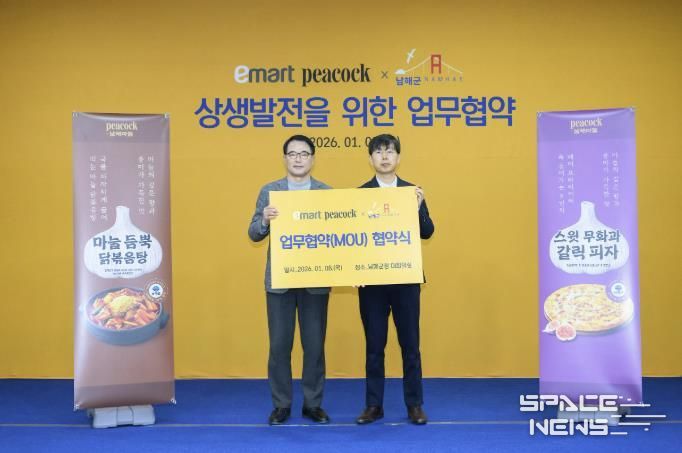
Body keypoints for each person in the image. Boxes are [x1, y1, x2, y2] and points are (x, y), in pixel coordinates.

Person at [248, 135, 332, 425]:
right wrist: (265, 220)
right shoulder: (270, 191)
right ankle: (281, 405)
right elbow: (253, 233)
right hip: (280, 281)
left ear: (312, 159)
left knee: (315, 346)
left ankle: (313, 404)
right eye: (293, 153)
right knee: (279, 347)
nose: (298, 159)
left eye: (304, 153)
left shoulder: (325, 193)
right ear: (284, 158)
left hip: (315, 280)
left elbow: (339, 237)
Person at [355, 134, 435, 425]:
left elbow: (427, 231)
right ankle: (373, 405)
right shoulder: (360, 195)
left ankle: (414, 405)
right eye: (378, 152)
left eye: (389, 151)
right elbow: (352, 239)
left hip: (405, 279)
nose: (384, 157)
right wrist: (354, 271)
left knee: (410, 345)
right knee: (374, 347)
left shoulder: (412, 192)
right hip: (372, 283)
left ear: (398, 157)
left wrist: (418, 207)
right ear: (370, 159)